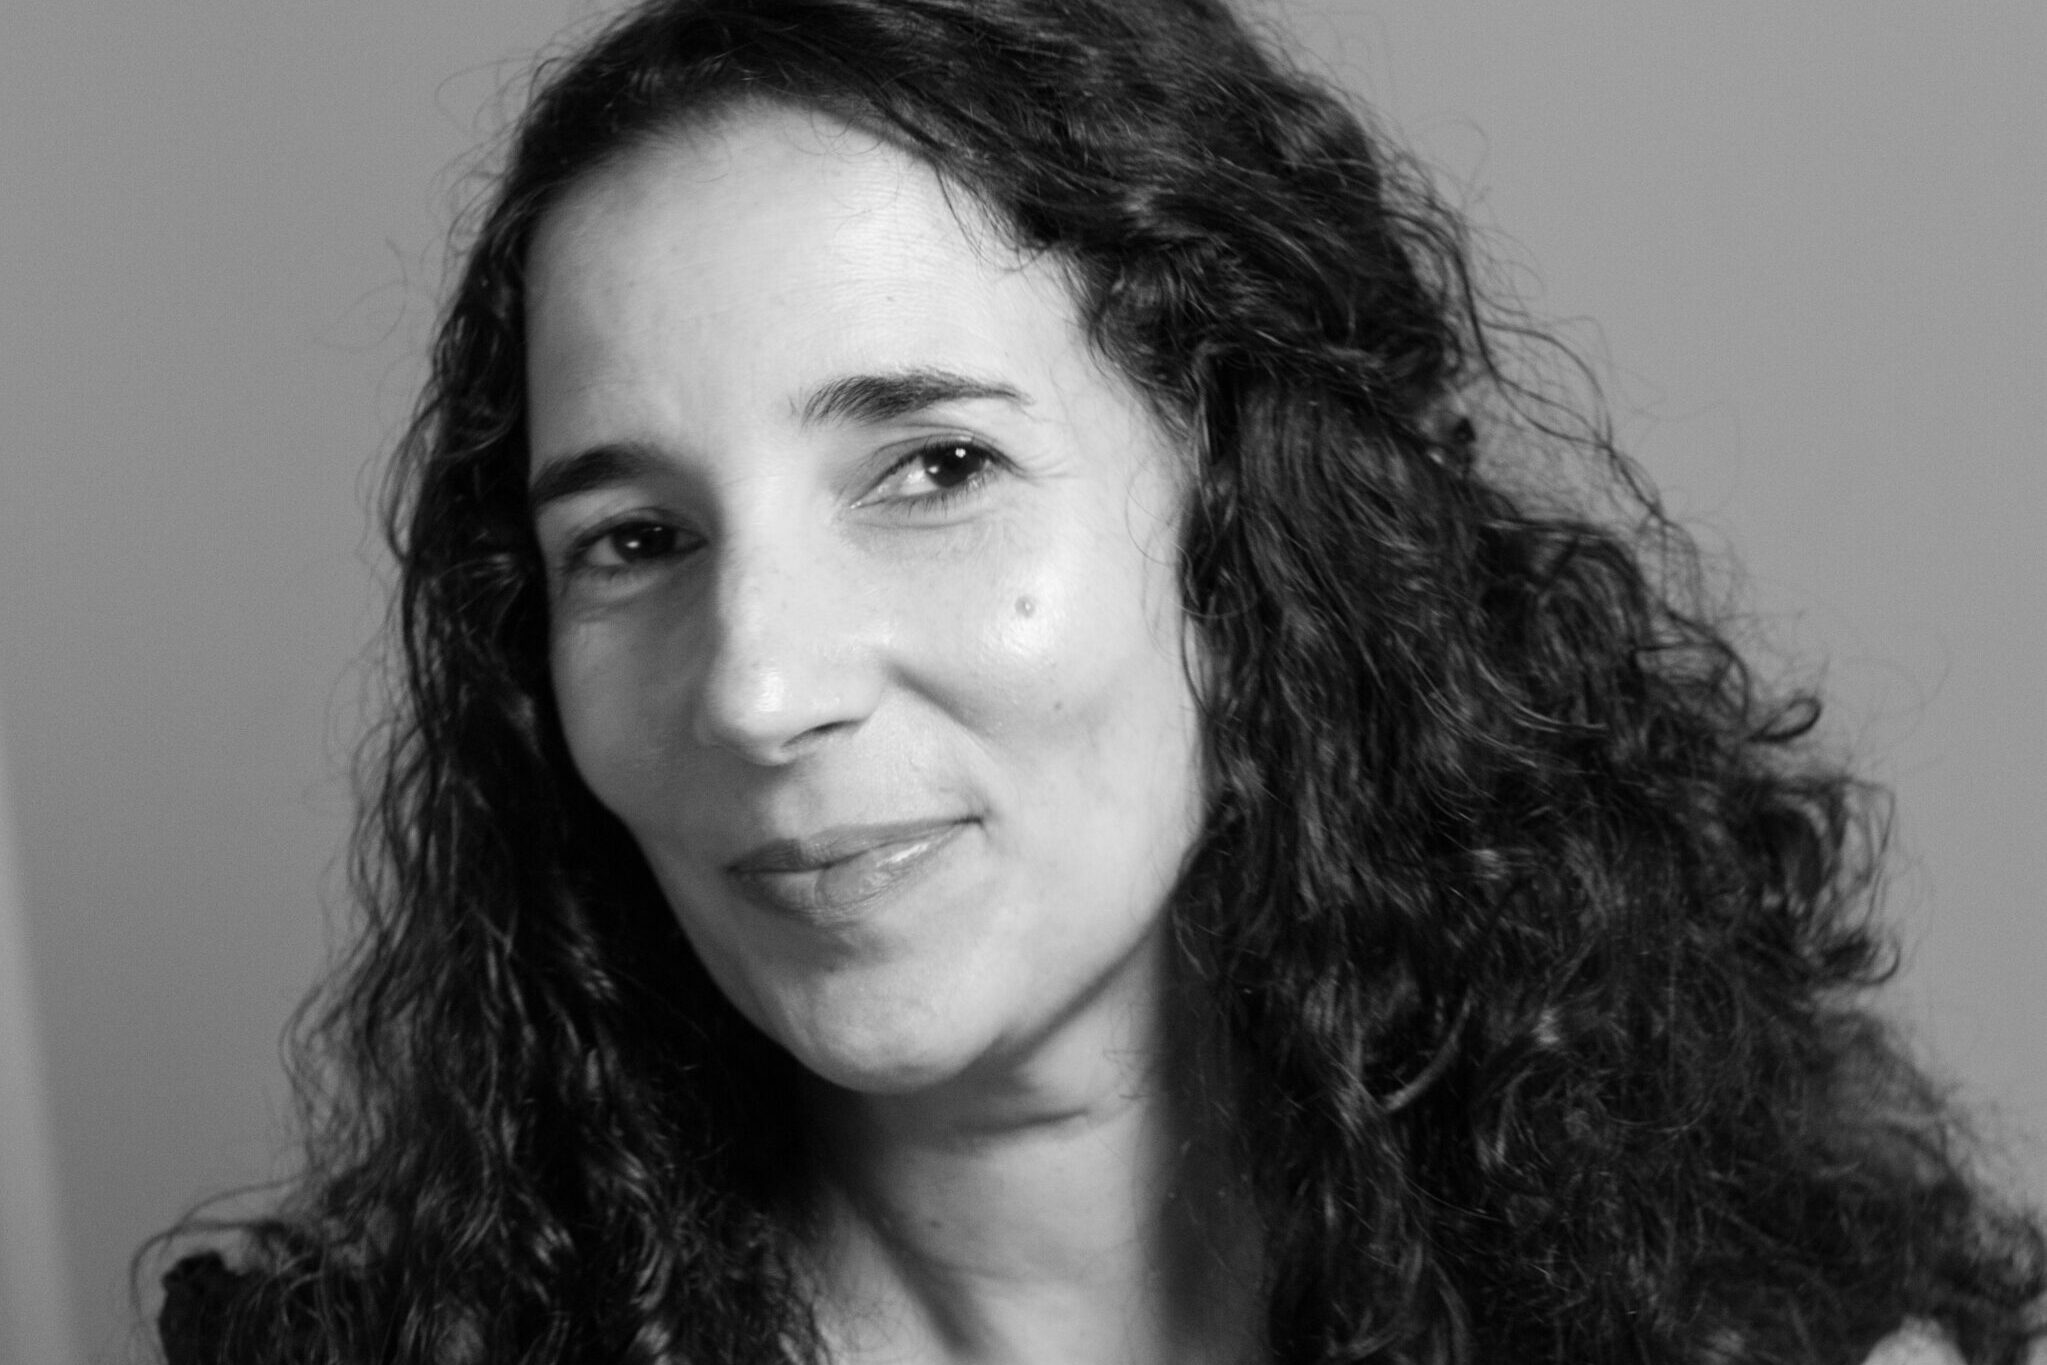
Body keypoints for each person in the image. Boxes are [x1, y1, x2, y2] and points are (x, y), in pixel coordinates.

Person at [151, 0, 2045, 1361]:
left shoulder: (1758, 1315)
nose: (757, 685)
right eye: (633, 541)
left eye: (935, 468)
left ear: (1258, 531)